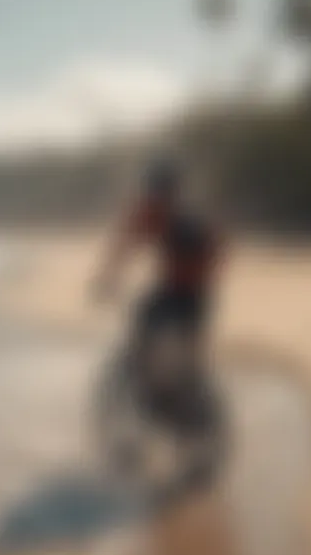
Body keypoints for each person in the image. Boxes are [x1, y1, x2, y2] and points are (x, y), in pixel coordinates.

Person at [90, 157, 225, 398]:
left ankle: (179, 396)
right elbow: (123, 246)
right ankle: (163, 392)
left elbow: (123, 246)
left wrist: (106, 281)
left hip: (186, 293)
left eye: (156, 193)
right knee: (153, 334)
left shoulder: (180, 219)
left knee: (171, 345)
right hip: (182, 292)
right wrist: (107, 279)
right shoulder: (163, 213)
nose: (153, 199)